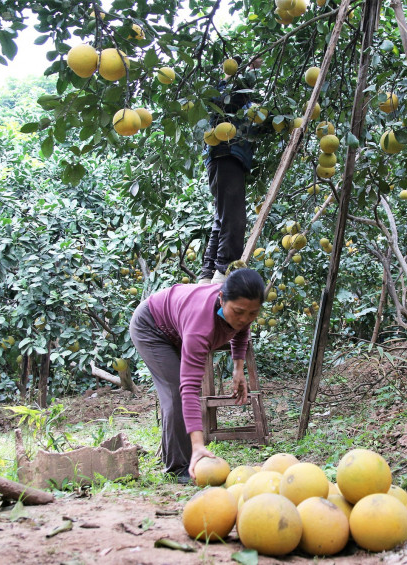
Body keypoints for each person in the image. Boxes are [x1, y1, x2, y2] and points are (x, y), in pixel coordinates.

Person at [128, 268, 265, 482]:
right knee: (176, 392)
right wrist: (198, 445)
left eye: (253, 314)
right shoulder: (201, 326)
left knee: (178, 391)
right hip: (151, 327)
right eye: (238, 312)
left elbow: (242, 329)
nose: (244, 319)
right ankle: (177, 468)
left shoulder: (241, 311)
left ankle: (178, 458)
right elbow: (190, 388)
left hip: (176, 328)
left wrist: (239, 368)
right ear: (221, 298)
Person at [199, 57, 264, 284]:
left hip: (228, 160)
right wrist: (248, 70)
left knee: (223, 219)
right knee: (234, 219)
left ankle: (208, 275)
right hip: (225, 156)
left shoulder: (245, 106)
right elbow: (225, 96)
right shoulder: (225, 95)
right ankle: (223, 274)